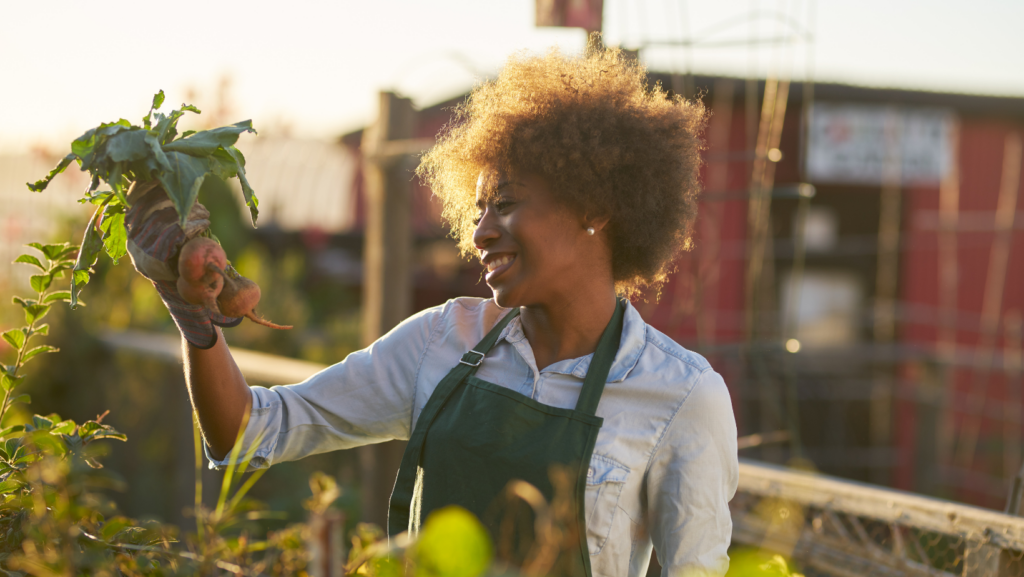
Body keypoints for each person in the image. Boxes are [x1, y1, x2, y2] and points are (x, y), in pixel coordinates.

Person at [127, 40, 738, 577]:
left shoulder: (681, 397)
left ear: (595, 207)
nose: (480, 233)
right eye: (477, 211)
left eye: (505, 204)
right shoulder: (441, 340)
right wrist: (193, 314)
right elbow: (246, 432)